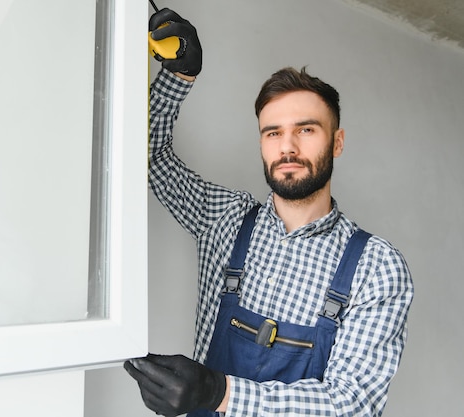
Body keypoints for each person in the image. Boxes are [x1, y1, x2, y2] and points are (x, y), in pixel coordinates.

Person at [123, 8, 414, 417]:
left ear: (338, 143)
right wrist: (178, 79)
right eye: (273, 132)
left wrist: (217, 392)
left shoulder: (376, 266)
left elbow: (353, 405)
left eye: (306, 130)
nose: (288, 147)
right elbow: (146, 157)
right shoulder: (224, 220)